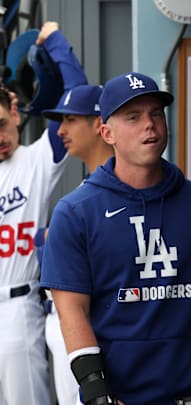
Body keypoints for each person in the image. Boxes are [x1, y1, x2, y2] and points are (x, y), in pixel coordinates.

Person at [40, 72, 191, 405]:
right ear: (107, 132)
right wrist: (97, 393)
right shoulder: (76, 212)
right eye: (133, 117)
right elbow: (72, 311)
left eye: (156, 113)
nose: (150, 124)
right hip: (123, 398)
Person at [0, 21, 87, 405]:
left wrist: (55, 41)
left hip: (17, 309)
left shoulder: (36, 160)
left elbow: (78, 95)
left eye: (0, 124)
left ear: (15, 113)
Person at [35, 84, 109, 405]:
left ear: (98, 123)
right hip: (60, 318)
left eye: (71, 119)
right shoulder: (84, 190)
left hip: (87, 324)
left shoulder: (112, 191)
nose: (61, 129)